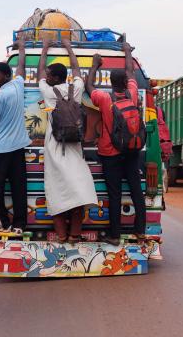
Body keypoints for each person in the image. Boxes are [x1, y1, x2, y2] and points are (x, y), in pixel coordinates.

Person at [23, 37, 98, 243]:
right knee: (78, 196)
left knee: (56, 195)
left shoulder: (49, 93)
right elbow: (76, 69)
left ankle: (62, 236)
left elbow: (39, 72)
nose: (45, 77)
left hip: (55, 151)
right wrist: (68, 47)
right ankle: (74, 235)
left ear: (55, 78)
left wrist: (45, 48)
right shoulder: (76, 89)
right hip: (74, 150)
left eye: (49, 75)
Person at [85, 41, 146, 245]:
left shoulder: (104, 99)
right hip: (131, 152)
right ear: (127, 82)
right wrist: (127, 52)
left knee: (114, 194)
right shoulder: (134, 94)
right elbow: (130, 71)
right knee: (136, 190)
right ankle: (140, 230)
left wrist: (95, 65)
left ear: (111, 83)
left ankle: (115, 234)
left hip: (110, 155)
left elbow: (88, 86)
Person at [0, 61, 32, 233]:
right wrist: (21, 50)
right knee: (19, 188)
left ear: (6, 76)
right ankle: (20, 225)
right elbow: (21, 69)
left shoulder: (0, 95)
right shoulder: (18, 85)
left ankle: (4, 224)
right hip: (19, 148)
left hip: (1, 150)